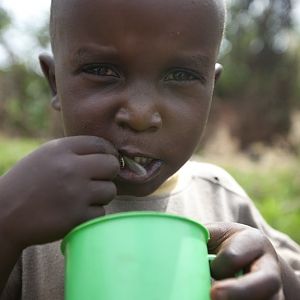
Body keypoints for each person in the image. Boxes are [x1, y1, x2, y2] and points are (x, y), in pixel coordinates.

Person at [0, 0, 299, 299]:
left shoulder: (222, 197)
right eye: (102, 70)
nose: (141, 115)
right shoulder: (25, 206)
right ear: (55, 82)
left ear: (211, 88)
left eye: (181, 75)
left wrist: (278, 275)